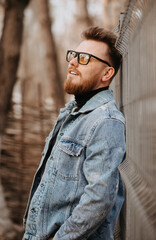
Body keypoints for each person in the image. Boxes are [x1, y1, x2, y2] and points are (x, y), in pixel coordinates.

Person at [22, 26, 126, 240]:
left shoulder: (106, 121)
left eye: (85, 58)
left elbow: (99, 199)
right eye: (74, 55)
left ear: (107, 73)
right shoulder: (72, 113)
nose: (73, 62)